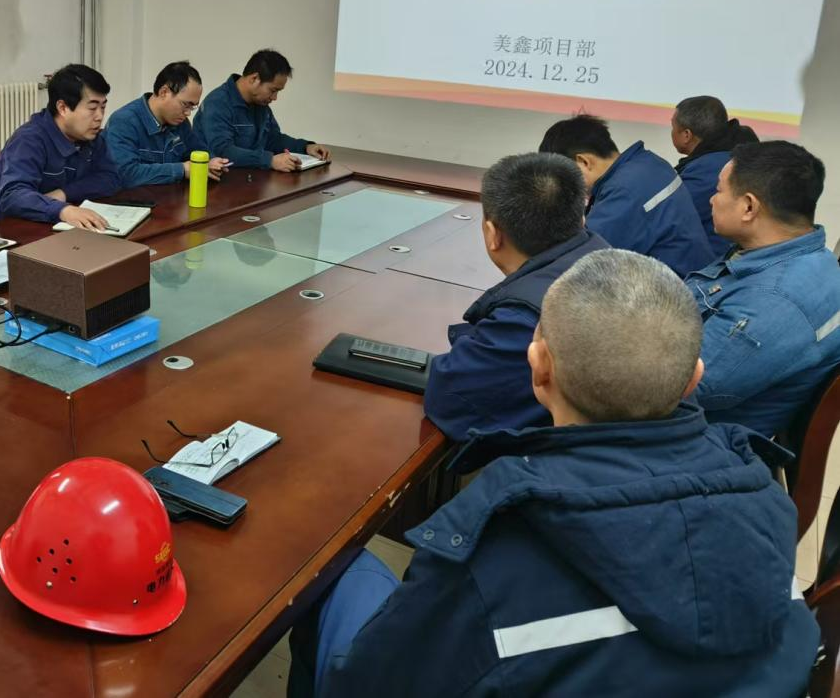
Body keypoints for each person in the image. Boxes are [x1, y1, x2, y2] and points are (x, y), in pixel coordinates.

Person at [290, 250, 817, 698]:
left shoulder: (488, 554)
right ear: (693, 379)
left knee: (338, 571)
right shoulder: (770, 506)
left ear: (539, 368)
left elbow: (370, 683)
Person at [423, 153, 608, 442]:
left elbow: (450, 400)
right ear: (580, 217)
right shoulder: (606, 256)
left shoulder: (524, 321)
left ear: (492, 234)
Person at [687, 141, 840, 436]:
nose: (712, 200)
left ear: (748, 207)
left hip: (703, 443)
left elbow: (682, 387)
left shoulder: (775, 299)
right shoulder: (802, 255)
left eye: (718, 191)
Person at [539, 113, 711, 275]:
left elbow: (581, 259)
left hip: (676, 289)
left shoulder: (625, 191)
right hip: (691, 275)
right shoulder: (648, 162)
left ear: (583, 162)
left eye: (563, 179)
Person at [0, 64, 121, 230]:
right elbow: (12, 196)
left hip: (61, 227)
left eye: (103, 107)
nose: (99, 116)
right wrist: (62, 210)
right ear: (62, 108)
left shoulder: (90, 136)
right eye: (92, 108)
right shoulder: (29, 139)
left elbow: (110, 179)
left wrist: (64, 193)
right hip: (13, 230)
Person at [194, 49, 330, 172]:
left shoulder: (260, 104)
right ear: (254, 79)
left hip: (253, 180)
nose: (275, 98)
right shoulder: (217, 103)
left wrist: (306, 147)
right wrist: (269, 161)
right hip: (221, 184)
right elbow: (223, 152)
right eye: (273, 90)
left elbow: (273, 139)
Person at [103, 61, 230, 188]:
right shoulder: (124, 122)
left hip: (171, 197)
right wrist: (182, 170)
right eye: (185, 104)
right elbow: (126, 174)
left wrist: (211, 161)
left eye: (193, 107)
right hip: (133, 199)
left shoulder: (180, 123)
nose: (188, 113)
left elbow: (198, 150)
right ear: (164, 92)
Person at [671, 95, 759, 256]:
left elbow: (670, 215)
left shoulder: (704, 172)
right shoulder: (739, 154)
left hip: (712, 258)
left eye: (673, 127)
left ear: (686, 135)